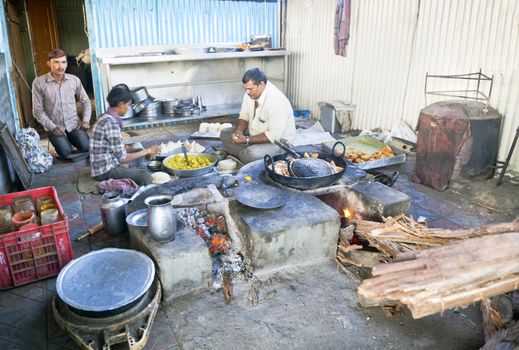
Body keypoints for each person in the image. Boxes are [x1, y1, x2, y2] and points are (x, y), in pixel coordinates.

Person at [220, 67, 296, 164]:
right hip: (255, 133)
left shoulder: (276, 101)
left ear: (261, 84)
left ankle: (245, 154)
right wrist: (238, 131)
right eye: (245, 88)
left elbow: (274, 136)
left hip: (279, 143)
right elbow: (244, 116)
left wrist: (246, 140)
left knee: (251, 154)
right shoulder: (250, 93)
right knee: (225, 134)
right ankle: (245, 154)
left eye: (250, 89)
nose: (247, 92)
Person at [90, 86, 159, 185]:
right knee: (145, 176)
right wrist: (147, 151)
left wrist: (141, 150)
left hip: (108, 161)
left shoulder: (106, 116)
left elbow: (118, 149)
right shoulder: (111, 123)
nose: (128, 108)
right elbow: (123, 158)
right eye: (128, 105)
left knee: (138, 146)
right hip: (104, 171)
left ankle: (129, 170)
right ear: (121, 104)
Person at [32, 49, 91, 159]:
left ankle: (72, 140)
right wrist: (52, 128)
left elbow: (86, 102)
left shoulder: (74, 80)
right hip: (55, 127)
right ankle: (64, 144)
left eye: (63, 62)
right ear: (49, 63)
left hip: (74, 125)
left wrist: (86, 120)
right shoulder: (39, 82)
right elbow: (37, 111)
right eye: (56, 62)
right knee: (66, 153)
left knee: (87, 148)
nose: (60, 66)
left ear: (67, 63)